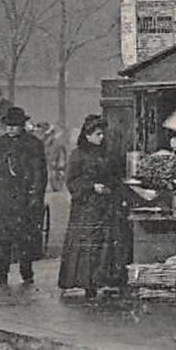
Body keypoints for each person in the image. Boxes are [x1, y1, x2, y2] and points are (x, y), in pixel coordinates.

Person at [57, 116, 130, 298]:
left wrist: (110, 187)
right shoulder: (78, 155)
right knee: (87, 245)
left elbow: (116, 176)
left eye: (102, 133)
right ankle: (87, 284)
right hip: (86, 207)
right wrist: (91, 187)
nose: (102, 137)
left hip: (106, 205)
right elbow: (71, 181)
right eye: (98, 134)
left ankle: (103, 280)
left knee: (105, 244)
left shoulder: (108, 154)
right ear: (87, 135)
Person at [0, 104, 47, 285]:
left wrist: (35, 196)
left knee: (24, 238)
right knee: (1, 238)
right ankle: (0, 274)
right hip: (2, 198)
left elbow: (40, 174)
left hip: (25, 199)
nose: (10, 128)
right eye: (8, 125)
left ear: (22, 126)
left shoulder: (33, 145)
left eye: (15, 125)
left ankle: (27, 273)